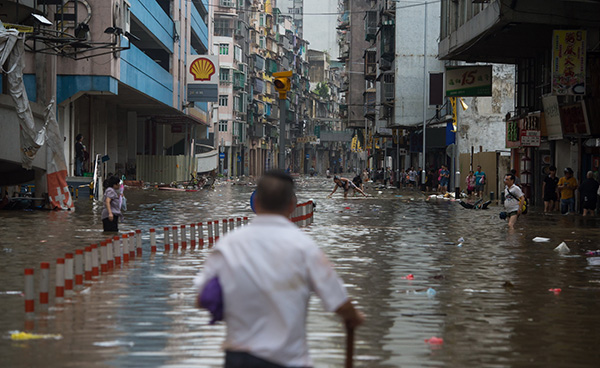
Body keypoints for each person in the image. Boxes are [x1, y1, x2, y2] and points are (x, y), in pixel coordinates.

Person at [193, 170, 364, 368]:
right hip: (287, 360)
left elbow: (201, 299)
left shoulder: (228, 245)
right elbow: (340, 303)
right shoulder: (305, 248)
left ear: (255, 203)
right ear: (292, 205)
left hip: (237, 359)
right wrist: (355, 317)